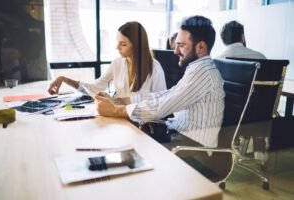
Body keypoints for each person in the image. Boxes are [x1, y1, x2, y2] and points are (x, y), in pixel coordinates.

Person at [94, 15, 225, 148]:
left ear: (201, 47)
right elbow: (165, 95)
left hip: (191, 148)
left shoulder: (203, 73)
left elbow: (162, 106)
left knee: (125, 145)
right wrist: (120, 101)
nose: (175, 51)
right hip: (177, 137)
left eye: (181, 45)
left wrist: (115, 110)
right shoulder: (196, 69)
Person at [48, 21, 167, 97]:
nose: (117, 47)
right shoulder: (117, 63)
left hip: (143, 128)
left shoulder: (155, 69)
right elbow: (94, 88)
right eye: (117, 42)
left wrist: (115, 103)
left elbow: (159, 105)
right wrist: (63, 79)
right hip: (120, 120)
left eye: (123, 44)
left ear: (137, 45)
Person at [218, 20, 267, 164]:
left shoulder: (219, 59)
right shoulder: (261, 57)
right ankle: (260, 151)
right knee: (258, 105)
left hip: (231, 119)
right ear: (243, 37)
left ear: (223, 40)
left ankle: (228, 151)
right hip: (260, 116)